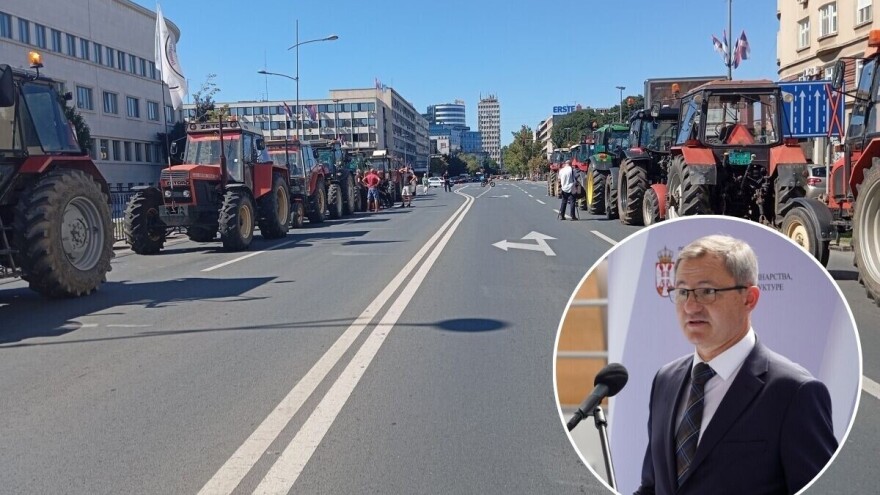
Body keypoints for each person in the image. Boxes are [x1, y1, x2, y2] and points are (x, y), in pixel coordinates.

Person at [635, 235, 837, 495]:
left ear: (749, 299)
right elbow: (652, 487)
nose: (690, 306)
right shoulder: (665, 380)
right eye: (683, 291)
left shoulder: (795, 393)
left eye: (707, 292)